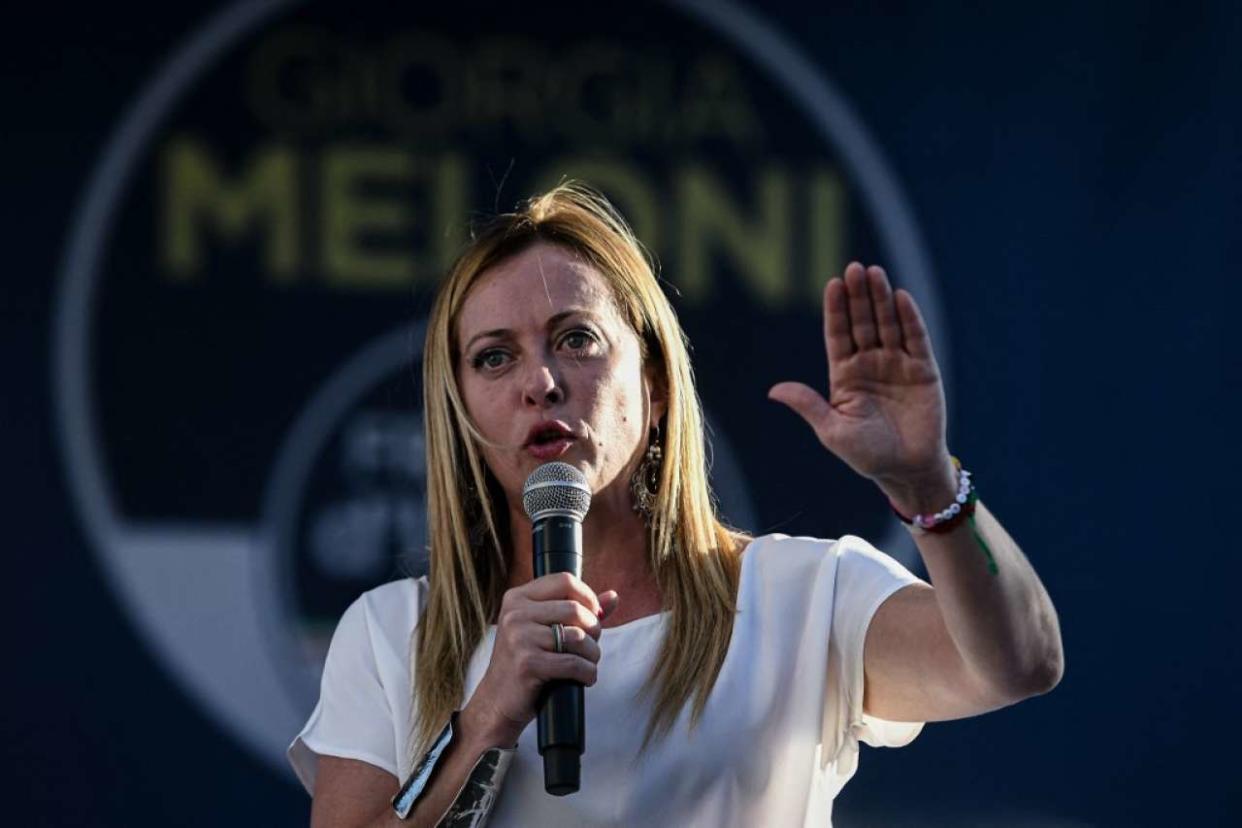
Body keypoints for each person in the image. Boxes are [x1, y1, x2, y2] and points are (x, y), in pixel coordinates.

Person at [287, 183, 1064, 827]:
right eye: (495, 357)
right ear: (461, 410)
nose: (540, 382)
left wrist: (928, 488)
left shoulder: (799, 597)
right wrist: (483, 722)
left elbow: (1020, 663)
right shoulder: (393, 635)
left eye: (577, 339)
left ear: (654, 386)